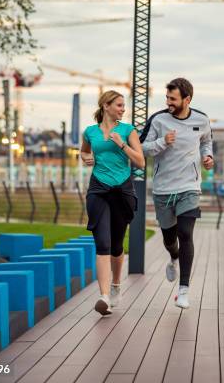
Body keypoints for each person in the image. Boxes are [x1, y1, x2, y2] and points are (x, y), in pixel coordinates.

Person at [140, 78, 213, 309]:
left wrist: (207, 157)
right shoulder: (159, 120)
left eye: (173, 98)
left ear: (187, 99)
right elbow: (141, 148)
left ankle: (184, 290)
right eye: (167, 98)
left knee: (185, 233)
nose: (168, 102)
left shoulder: (201, 119)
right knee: (170, 239)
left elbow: (206, 142)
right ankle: (173, 257)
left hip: (189, 186)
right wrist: (162, 142)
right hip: (163, 189)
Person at [80, 90, 145, 315]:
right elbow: (84, 152)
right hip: (98, 189)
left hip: (123, 191)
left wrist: (122, 145)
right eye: (118, 105)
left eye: (123, 105)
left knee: (117, 245)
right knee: (103, 244)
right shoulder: (90, 132)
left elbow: (141, 161)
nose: (123, 109)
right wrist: (85, 158)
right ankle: (104, 297)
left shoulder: (128, 131)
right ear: (106, 106)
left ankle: (116, 285)